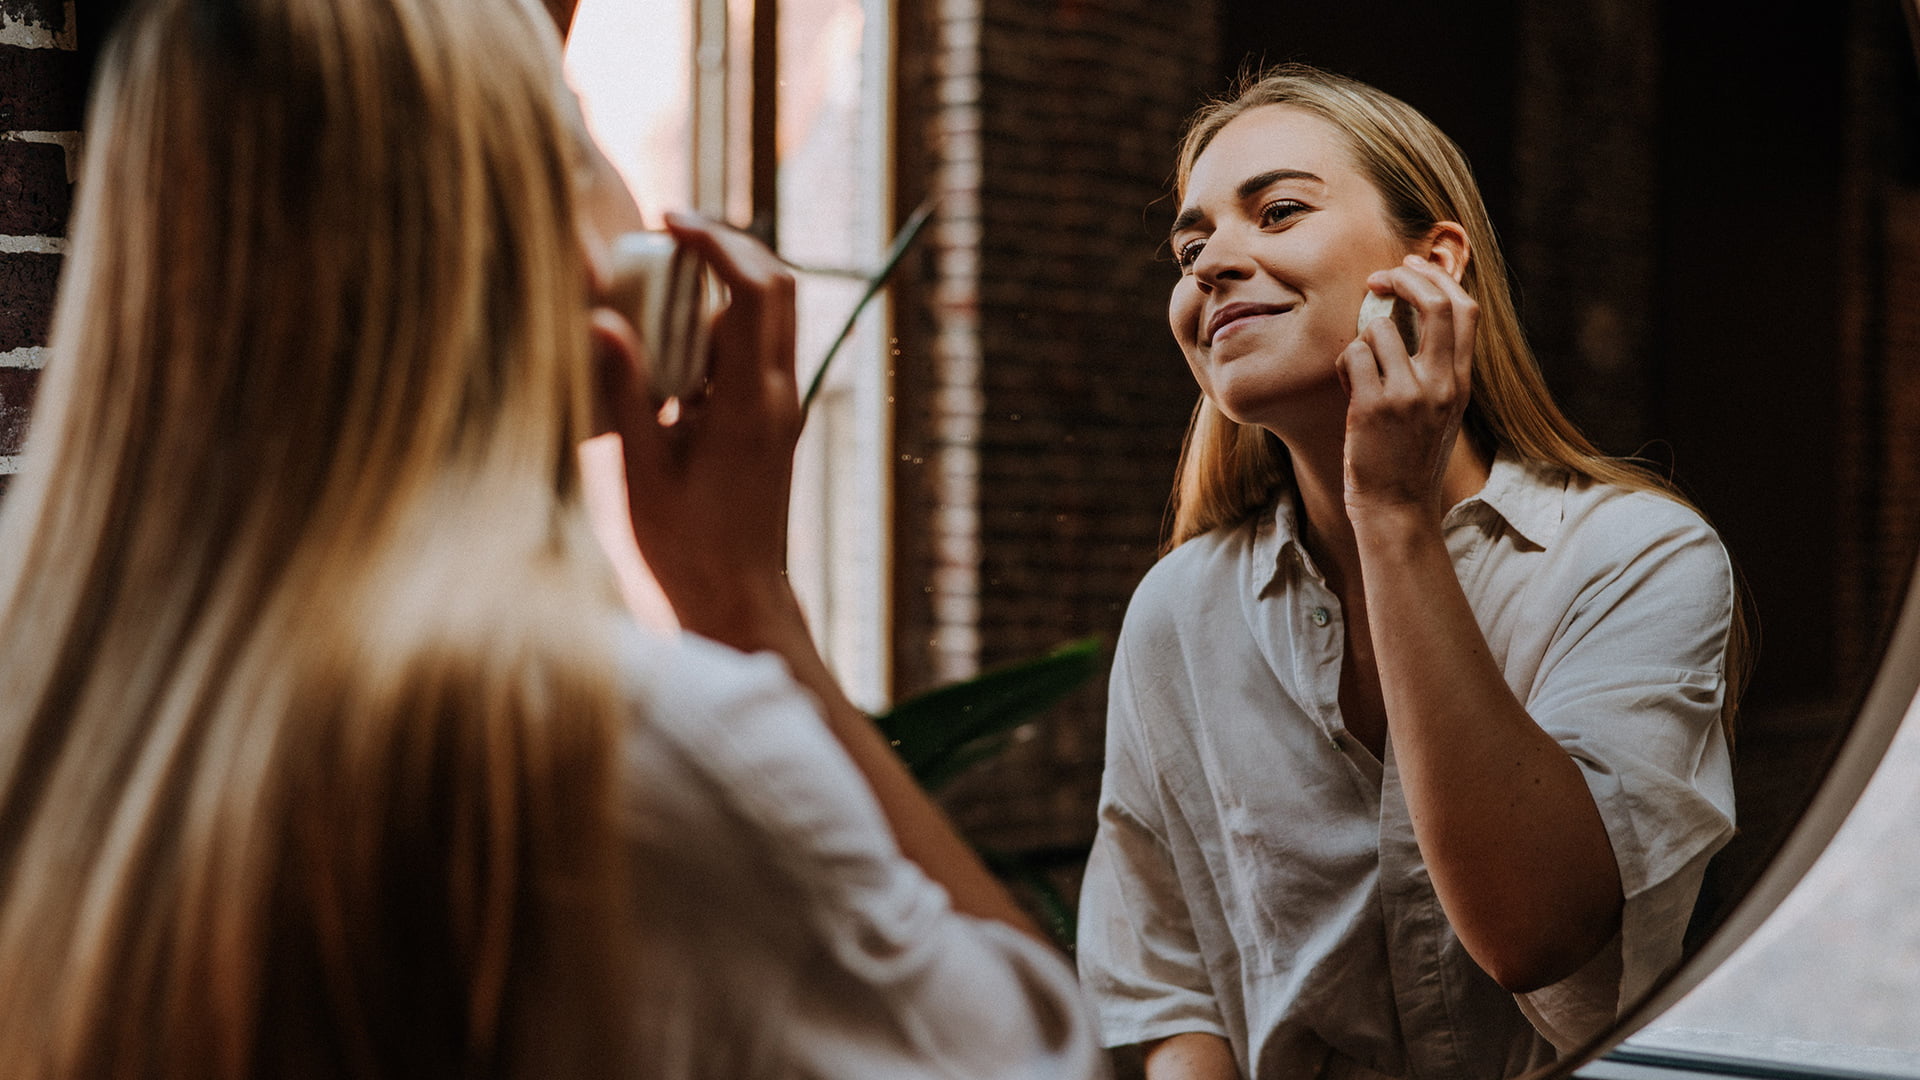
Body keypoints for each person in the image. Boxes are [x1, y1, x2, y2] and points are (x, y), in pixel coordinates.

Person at [0, 1, 1102, 1077]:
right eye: (576, 130)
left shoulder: (62, 700)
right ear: (538, 241)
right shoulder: (621, 750)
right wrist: (748, 606)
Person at [1075, 65, 1744, 1080]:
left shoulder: (1636, 558)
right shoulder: (1181, 608)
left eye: (1280, 210)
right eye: (1192, 243)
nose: (1210, 263)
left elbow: (1536, 935)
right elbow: (1173, 990)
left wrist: (1391, 514)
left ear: (1432, 265)